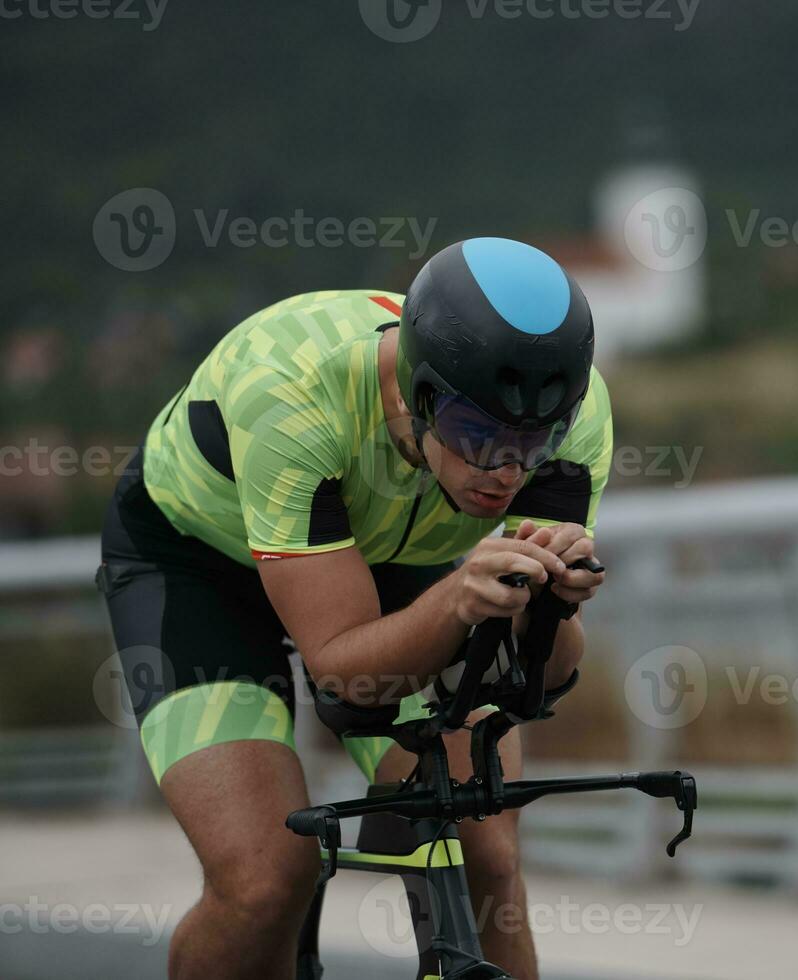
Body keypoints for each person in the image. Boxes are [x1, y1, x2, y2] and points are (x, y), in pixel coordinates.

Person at [97, 237, 612, 980]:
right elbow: (342, 669)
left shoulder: (576, 416)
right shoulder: (294, 394)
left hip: (392, 556)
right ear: (417, 393)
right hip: (198, 563)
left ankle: (397, 824)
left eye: (537, 441)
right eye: (477, 436)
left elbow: (544, 679)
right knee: (267, 877)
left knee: (487, 853)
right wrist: (458, 602)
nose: (506, 471)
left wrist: (552, 607)